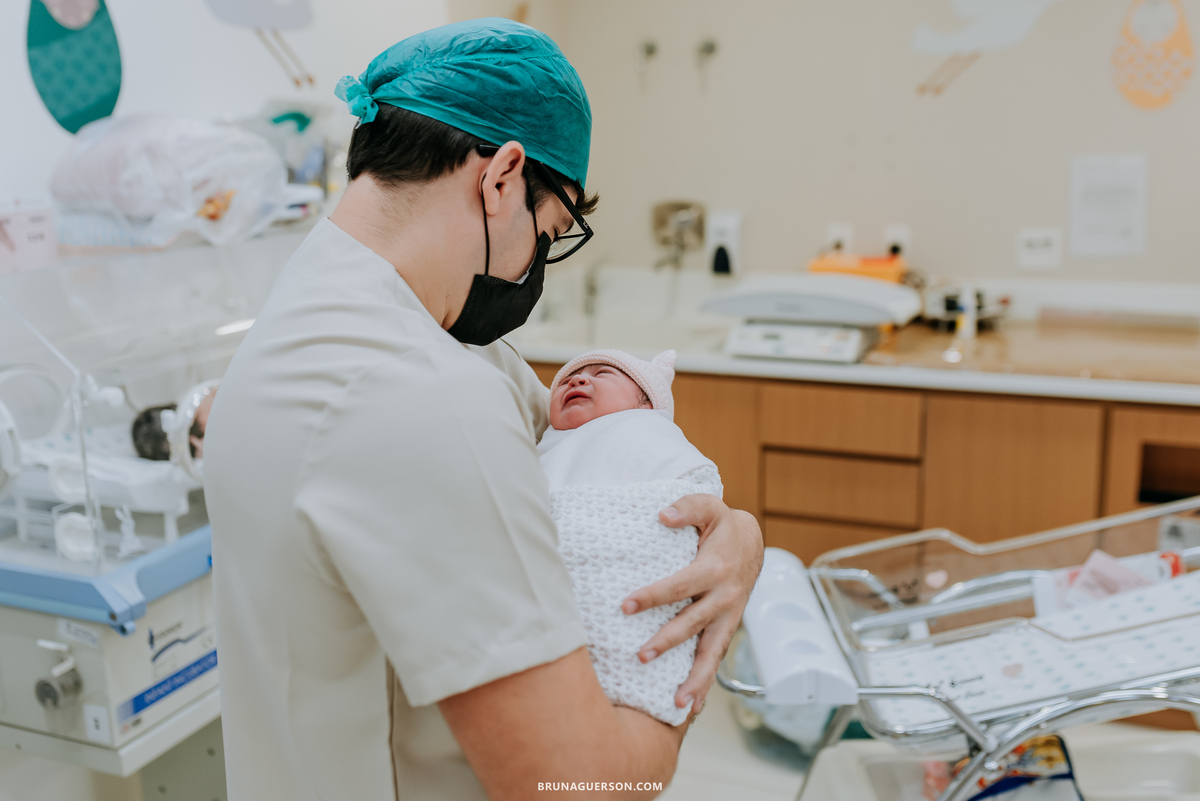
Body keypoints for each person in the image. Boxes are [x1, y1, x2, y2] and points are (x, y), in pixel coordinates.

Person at [203, 18, 763, 801]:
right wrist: (688, 654)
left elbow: (586, 445)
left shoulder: (328, 313)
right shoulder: (419, 391)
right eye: (551, 233)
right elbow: (580, 786)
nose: (537, 264)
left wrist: (738, 537)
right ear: (502, 177)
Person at [540, 349, 723, 727]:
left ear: (646, 403)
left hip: (632, 562)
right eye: (567, 380)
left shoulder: (649, 433)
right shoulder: (545, 447)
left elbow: (695, 492)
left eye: (602, 373)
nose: (577, 380)